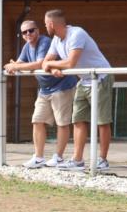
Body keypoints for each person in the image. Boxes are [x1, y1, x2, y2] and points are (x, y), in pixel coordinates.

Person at [41, 10, 113, 171]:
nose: (45, 27)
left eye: (45, 24)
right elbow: (46, 62)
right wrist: (53, 68)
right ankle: (77, 160)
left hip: (100, 77)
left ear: (51, 24)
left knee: (102, 121)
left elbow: (70, 63)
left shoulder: (76, 33)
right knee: (78, 119)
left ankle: (103, 160)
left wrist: (51, 65)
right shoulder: (56, 40)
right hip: (84, 79)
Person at [4, 19, 78, 168]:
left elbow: (39, 64)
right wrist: (14, 66)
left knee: (62, 122)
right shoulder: (27, 46)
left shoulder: (44, 42)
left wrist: (16, 67)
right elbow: (18, 63)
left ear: (37, 30)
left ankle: (59, 157)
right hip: (44, 89)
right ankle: (38, 158)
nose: (28, 34)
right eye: (24, 32)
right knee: (37, 120)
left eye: (31, 30)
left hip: (62, 86)